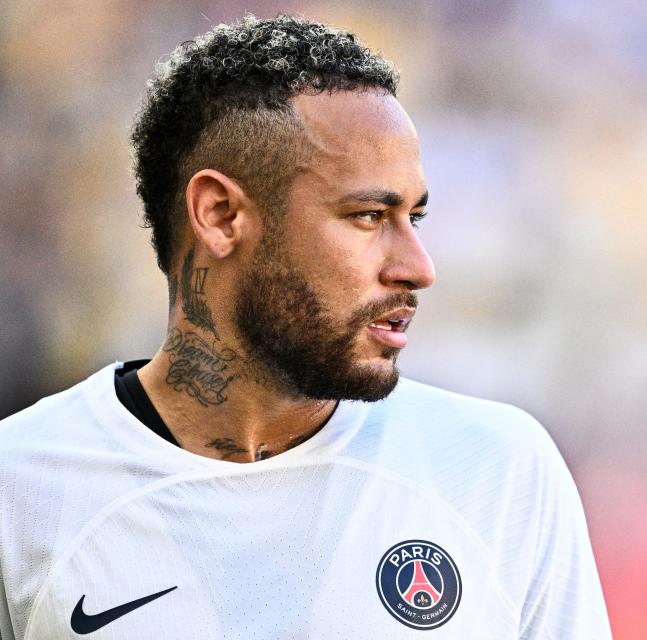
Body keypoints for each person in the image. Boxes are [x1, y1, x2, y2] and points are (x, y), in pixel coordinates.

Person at [0, 14, 610, 639]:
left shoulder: (497, 470)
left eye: (414, 218)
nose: (419, 269)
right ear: (220, 215)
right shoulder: (20, 487)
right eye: (369, 216)